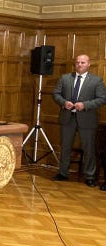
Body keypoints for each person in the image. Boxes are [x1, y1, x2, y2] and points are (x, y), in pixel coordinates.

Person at [52, 54, 106, 187]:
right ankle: (63, 173)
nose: (80, 65)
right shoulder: (65, 78)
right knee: (65, 147)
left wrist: (85, 105)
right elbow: (56, 94)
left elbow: (102, 98)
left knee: (89, 149)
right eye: (77, 62)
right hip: (67, 118)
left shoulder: (96, 80)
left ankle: (90, 176)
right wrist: (64, 103)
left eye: (83, 62)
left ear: (88, 64)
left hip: (87, 119)